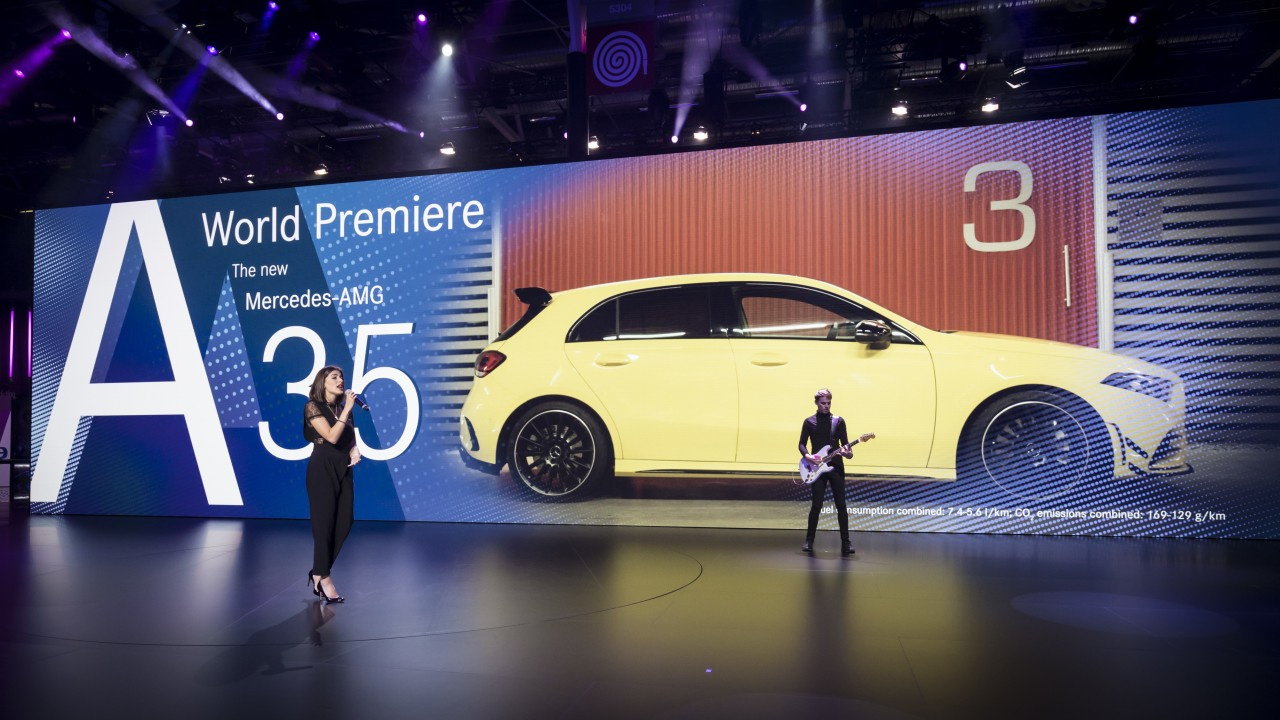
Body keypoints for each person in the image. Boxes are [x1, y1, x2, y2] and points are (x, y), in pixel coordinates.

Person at [304, 366, 362, 602]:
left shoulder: (341, 408)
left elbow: (348, 437)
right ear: (323, 382)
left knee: (345, 521)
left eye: (342, 377)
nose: (340, 381)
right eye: (334, 377)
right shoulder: (313, 407)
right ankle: (324, 578)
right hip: (322, 468)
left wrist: (354, 449)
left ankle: (318, 571)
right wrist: (347, 409)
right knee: (324, 526)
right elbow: (331, 436)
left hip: (343, 467)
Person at [799, 388, 854, 555]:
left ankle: (846, 542)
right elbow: (801, 444)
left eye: (829, 403)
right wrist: (808, 456)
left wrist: (847, 453)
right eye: (823, 403)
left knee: (841, 504)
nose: (826, 406)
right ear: (816, 403)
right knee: (816, 504)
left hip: (835, 467)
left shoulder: (839, 421)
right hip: (817, 468)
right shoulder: (809, 422)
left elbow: (847, 447)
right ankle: (809, 540)